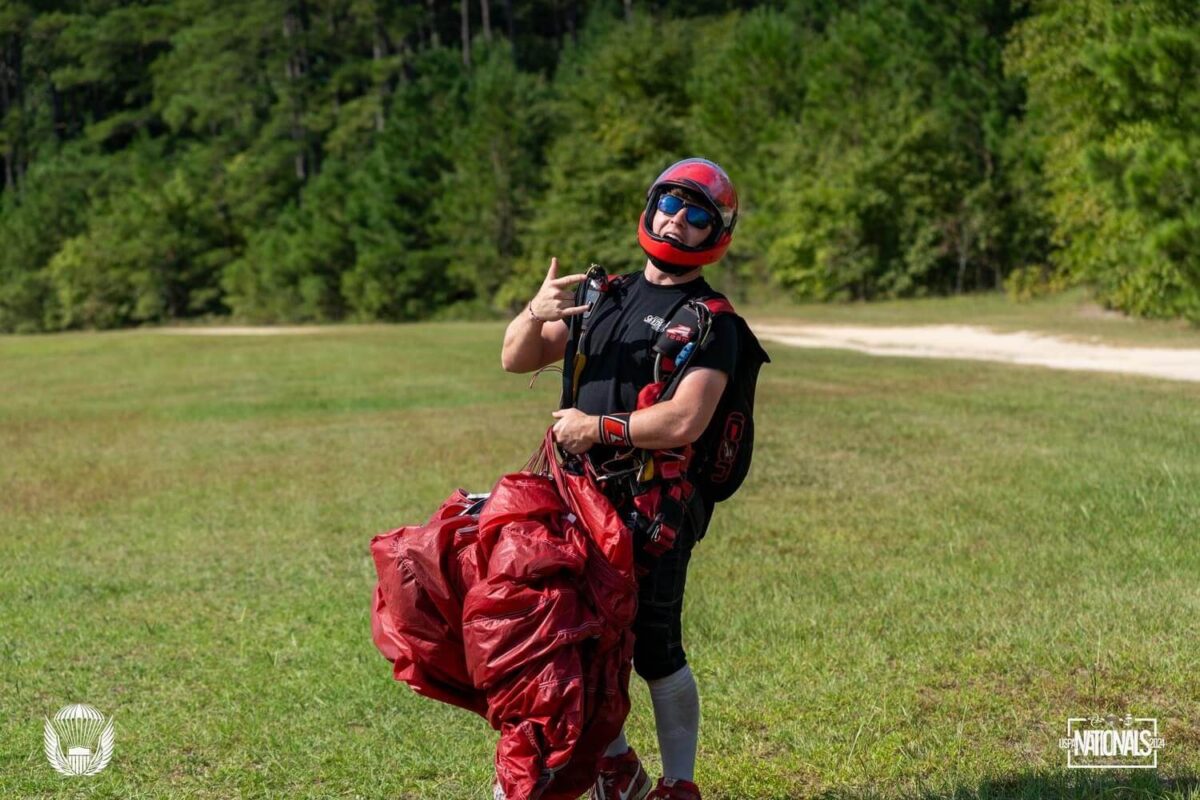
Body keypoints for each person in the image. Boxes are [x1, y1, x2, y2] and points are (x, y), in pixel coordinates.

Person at [500, 157, 747, 800]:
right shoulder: (602, 295)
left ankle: (678, 784)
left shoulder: (714, 321)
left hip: (654, 508)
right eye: (670, 202)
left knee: (654, 648)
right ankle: (616, 768)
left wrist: (597, 428)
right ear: (650, 205)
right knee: (572, 640)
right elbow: (515, 358)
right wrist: (535, 310)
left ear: (714, 232)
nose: (678, 219)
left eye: (698, 214)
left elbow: (685, 420)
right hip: (575, 496)